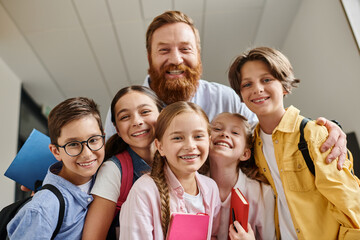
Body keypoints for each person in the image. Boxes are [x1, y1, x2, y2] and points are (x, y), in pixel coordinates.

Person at [104, 10, 348, 169]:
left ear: (198, 55)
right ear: (149, 57)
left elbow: (268, 139)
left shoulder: (226, 98)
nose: (176, 59)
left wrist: (322, 130)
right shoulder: (125, 109)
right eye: (164, 50)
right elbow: (104, 162)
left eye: (185, 49)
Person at [228, 46, 360, 239]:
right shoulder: (253, 145)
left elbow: (350, 205)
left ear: (285, 86)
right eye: (247, 84)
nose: (257, 89)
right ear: (240, 95)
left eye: (266, 80)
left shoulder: (313, 135)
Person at [119, 101, 221, 240]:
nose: (190, 146)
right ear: (160, 147)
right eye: (178, 138)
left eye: (198, 136)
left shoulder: (211, 188)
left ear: (209, 141)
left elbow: (213, 235)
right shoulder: (144, 192)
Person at [7, 97, 105, 239]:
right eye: (73, 144)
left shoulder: (106, 173)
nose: (87, 153)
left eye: (94, 140)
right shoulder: (42, 210)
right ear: (56, 151)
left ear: (103, 138)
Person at [82, 86, 165, 240]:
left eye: (145, 112)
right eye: (125, 117)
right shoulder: (113, 170)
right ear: (117, 130)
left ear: (162, 115)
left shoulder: (180, 161)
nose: (137, 122)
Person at [199, 112, 275, 240]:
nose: (224, 134)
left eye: (235, 133)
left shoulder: (262, 194)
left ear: (245, 154)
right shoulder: (192, 188)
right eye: (217, 129)